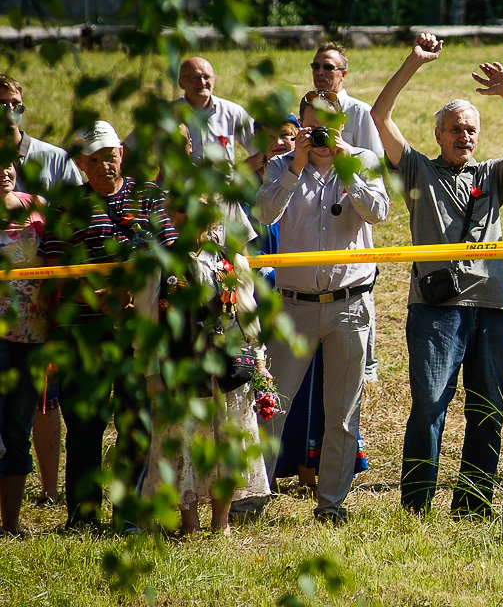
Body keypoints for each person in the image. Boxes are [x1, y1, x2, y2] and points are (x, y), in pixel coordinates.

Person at [371, 34, 503, 516]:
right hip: (434, 309)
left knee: (487, 409)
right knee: (429, 405)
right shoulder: (415, 171)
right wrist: (414, 62)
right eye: (455, 129)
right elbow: (379, 117)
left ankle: (472, 503)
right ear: (438, 135)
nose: (464, 137)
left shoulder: (492, 175)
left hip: (489, 306)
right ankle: (416, 504)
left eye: (470, 129)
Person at [255, 91, 389, 523]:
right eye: (312, 128)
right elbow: (265, 213)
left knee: (344, 413)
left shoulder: (364, 160)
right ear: (301, 126)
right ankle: (254, 493)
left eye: (328, 127)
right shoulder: (281, 165)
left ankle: (331, 504)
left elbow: (378, 213)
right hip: (295, 306)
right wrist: (295, 164)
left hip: (349, 304)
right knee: (274, 405)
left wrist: (347, 166)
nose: (320, 136)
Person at [39, 121, 179, 529]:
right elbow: (53, 266)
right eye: (94, 159)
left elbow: (170, 254)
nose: (104, 166)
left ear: (123, 152)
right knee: (85, 426)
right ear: (82, 164)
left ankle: (129, 517)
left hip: (140, 330)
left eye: (110, 155)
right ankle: (83, 516)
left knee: (136, 425)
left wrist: (135, 299)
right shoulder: (67, 206)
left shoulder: (149, 197)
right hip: (85, 332)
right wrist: (100, 298)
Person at [139, 213, 271, 535]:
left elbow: (248, 318)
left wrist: (259, 363)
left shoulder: (232, 261)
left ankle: (221, 524)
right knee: (183, 443)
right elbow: (145, 325)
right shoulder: (160, 262)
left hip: (226, 370)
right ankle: (190, 526)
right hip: (181, 368)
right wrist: (150, 372)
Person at [0, 75, 83, 508]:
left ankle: (48, 493)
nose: (6, 111)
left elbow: (74, 221)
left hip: (39, 317)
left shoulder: (52, 160)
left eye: (13, 103)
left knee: (42, 406)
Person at [309, 42, 385, 382]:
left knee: (357, 291)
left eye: (328, 67)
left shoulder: (360, 112)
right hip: (314, 215)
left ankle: (365, 363)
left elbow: (375, 166)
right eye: (316, 67)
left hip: (353, 212)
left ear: (344, 73)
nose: (321, 73)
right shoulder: (309, 110)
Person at [0, 162, 47, 536]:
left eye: (9, 163)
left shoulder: (37, 208)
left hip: (32, 339)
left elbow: (59, 259)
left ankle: (11, 525)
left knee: (18, 430)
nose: (4, 171)